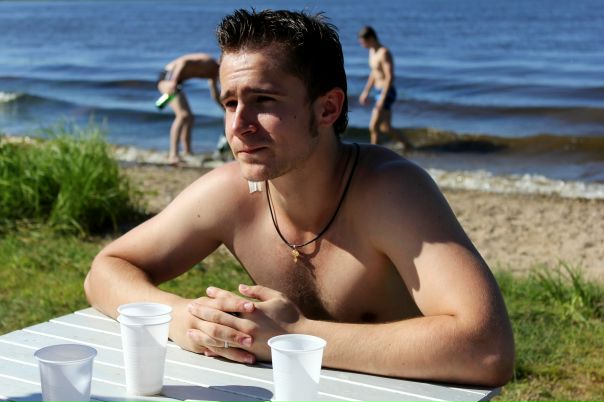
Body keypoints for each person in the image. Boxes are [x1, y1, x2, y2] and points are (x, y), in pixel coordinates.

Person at [86, 9, 514, 386]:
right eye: (230, 102)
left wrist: (297, 337)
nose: (238, 125)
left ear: (327, 108)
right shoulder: (231, 193)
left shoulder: (390, 193)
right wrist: (182, 319)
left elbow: (487, 348)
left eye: (263, 100)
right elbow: (105, 270)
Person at [157, 53, 222, 165]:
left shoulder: (214, 74)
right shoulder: (208, 61)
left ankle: (187, 152)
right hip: (168, 77)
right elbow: (183, 62)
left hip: (176, 81)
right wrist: (173, 81)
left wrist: (225, 109)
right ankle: (173, 155)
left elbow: (215, 94)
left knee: (190, 117)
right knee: (183, 115)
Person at [358, 26, 413, 149]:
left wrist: (383, 97)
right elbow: (374, 73)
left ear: (371, 38)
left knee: (373, 126)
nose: (361, 45)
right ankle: (408, 145)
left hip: (386, 92)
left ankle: (373, 153)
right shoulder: (371, 51)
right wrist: (366, 91)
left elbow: (390, 77)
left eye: (363, 42)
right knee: (385, 127)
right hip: (378, 91)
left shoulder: (384, 53)